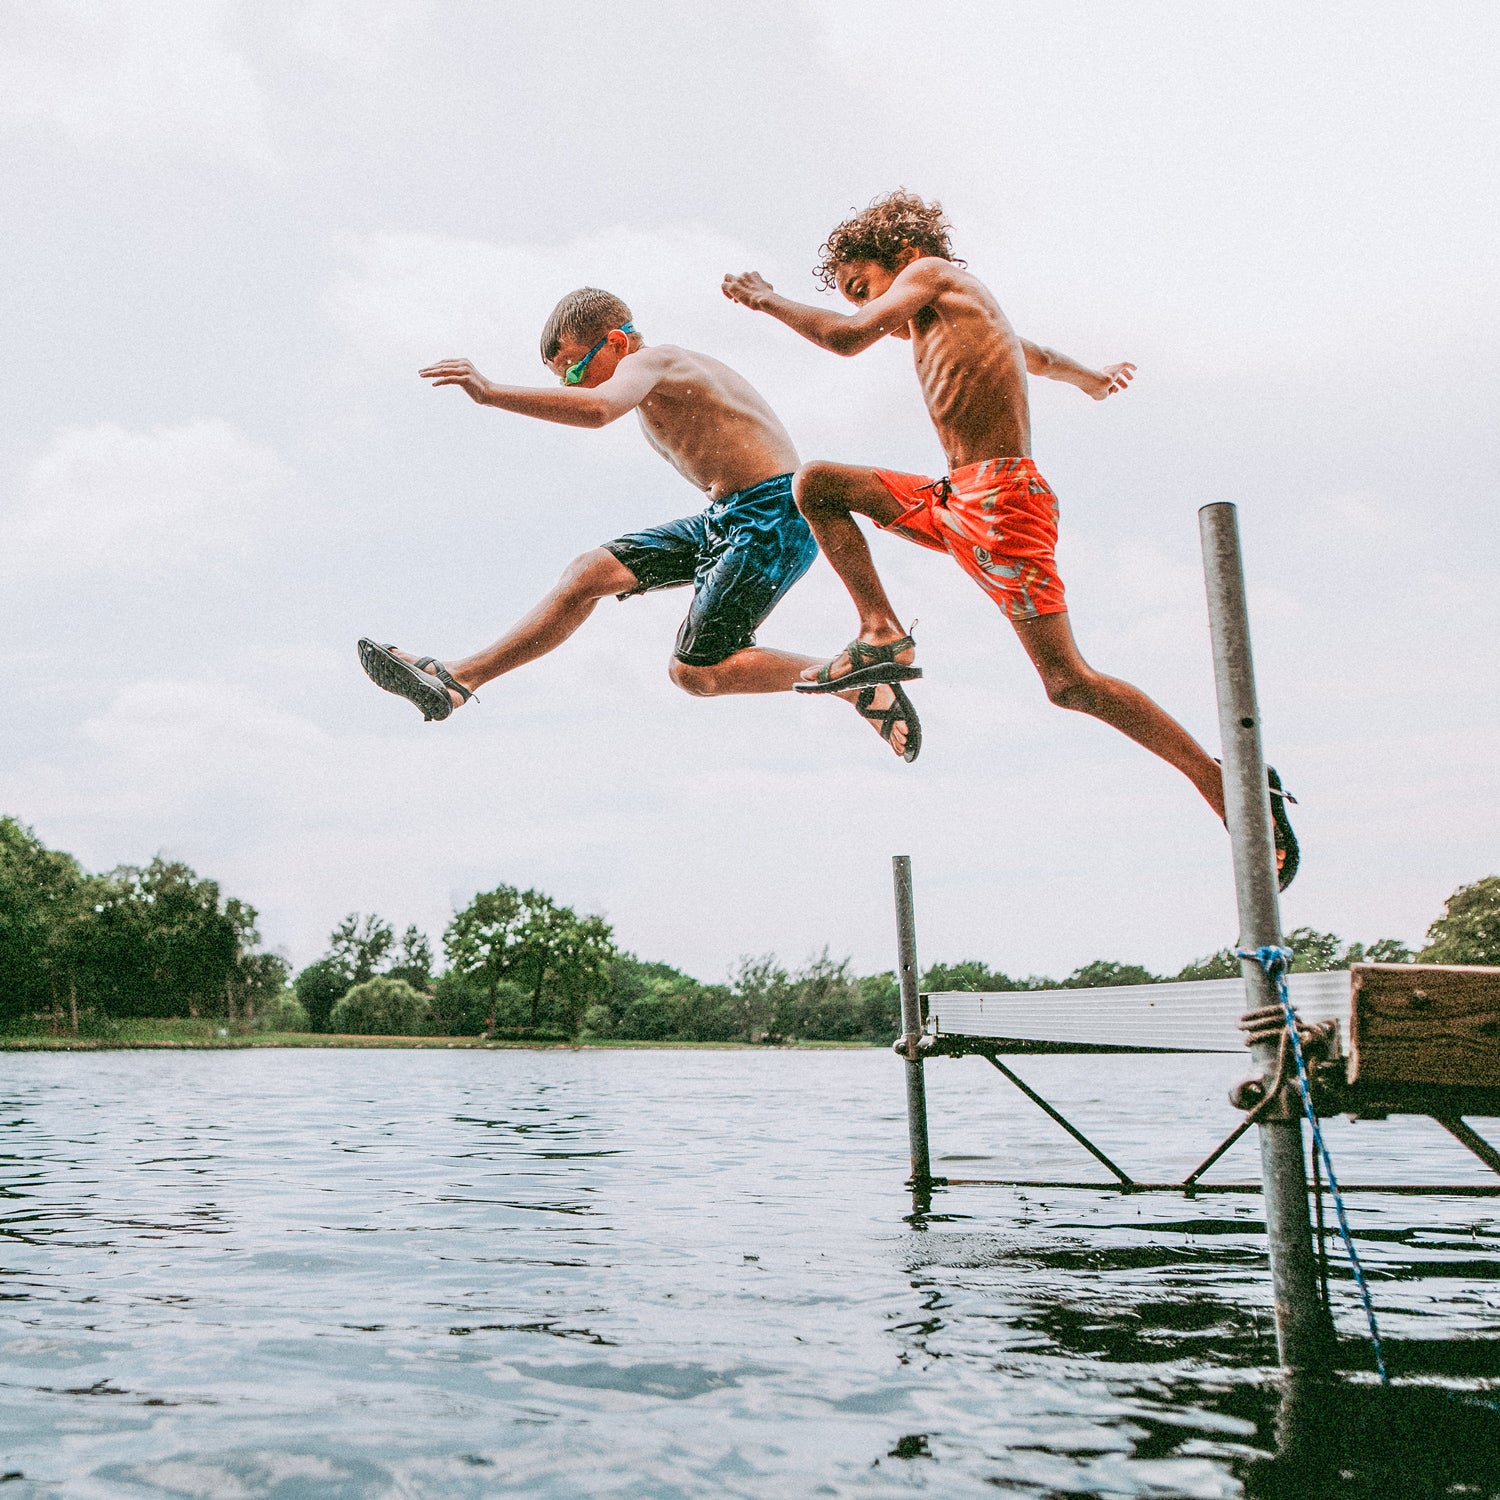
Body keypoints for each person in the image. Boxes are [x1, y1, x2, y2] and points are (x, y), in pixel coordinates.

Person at [722, 191, 1298, 886]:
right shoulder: (958, 312)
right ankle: (880, 631)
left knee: (1068, 683)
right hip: (955, 499)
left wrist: (766, 300)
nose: (873, 311)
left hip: (1001, 501)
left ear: (899, 255)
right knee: (817, 484)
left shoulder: (931, 274)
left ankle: (1226, 785)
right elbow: (1035, 354)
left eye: (861, 288)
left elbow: (846, 337)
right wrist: (1087, 377)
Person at [358, 286, 925, 759]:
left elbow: (599, 411)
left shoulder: (652, 361)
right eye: (565, 379)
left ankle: (853, 685)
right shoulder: (653, 375)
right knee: (587, 574)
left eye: (577, 367)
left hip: (774, 513)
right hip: (726, 518)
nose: (575, 384)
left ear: (618, 341)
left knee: (695, 673)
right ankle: (460, 678)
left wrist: (489, 393)